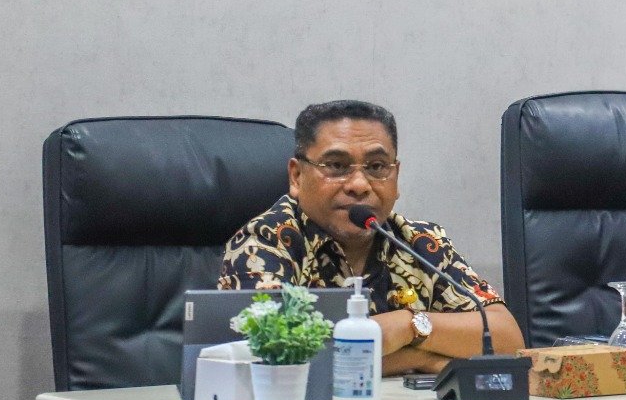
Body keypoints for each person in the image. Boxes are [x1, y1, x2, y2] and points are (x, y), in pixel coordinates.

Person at [220, 100, 523, 374]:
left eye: (377, 167)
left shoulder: (421, 242)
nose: (359, 184)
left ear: (396, 176)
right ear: (297, 176)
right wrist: (418, 358)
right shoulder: (266, 241)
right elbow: (271, 357)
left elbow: (507, 339)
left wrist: (408, 325)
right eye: (336, 166)